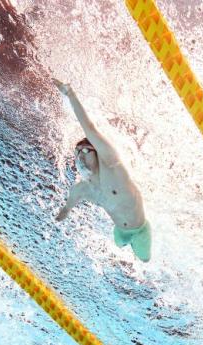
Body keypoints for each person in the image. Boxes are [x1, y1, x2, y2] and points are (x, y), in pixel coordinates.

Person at [53, 78, 151, 262]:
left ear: (96, 152)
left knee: (145, 260)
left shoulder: (111, 163)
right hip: (120, 230)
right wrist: (65, 210)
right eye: (79, 154)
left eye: (85, 152)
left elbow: (89, 128)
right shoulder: (85, 187)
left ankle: (137, 249)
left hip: (139, 230)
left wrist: (70, 93)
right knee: (119, 248)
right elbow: (71, 202)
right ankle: (124, 247)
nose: (81, 157)